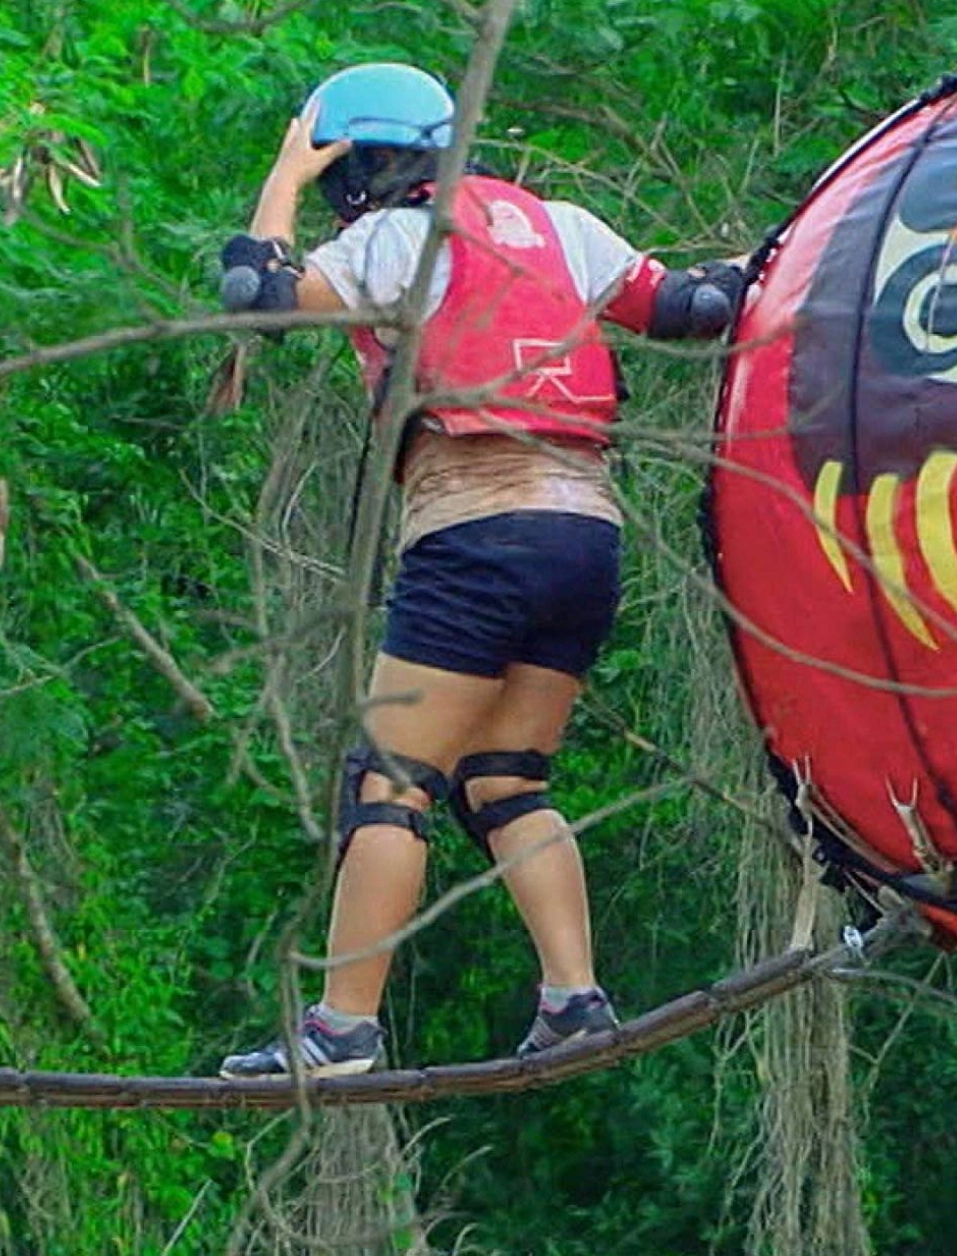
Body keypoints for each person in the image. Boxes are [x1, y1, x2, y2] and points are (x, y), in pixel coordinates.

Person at [214, 62, 745, 1078]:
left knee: (388, 782)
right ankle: (573, 997)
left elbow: (261, 295)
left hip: (476, 531)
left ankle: (340, 1027)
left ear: (362, 163)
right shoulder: (563, 226)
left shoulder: (394, 242)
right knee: (502, 778)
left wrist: (282, 176)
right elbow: (692, 304)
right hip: (584, 538)